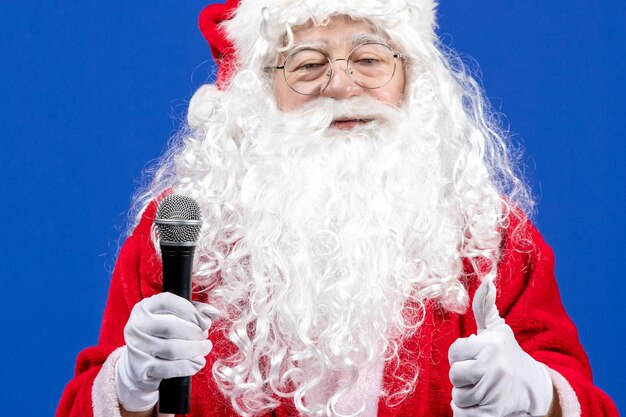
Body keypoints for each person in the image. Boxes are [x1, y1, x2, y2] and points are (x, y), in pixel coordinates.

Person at [57, 0, 619, 416]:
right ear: (259, 92)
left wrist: (538, 395)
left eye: (370, 58)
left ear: (411, 79)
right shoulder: (181, 231)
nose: (341, 84)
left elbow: (586, 401)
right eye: (307, 64)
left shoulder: (488, 236)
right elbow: (84, 403)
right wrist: (127, 387)